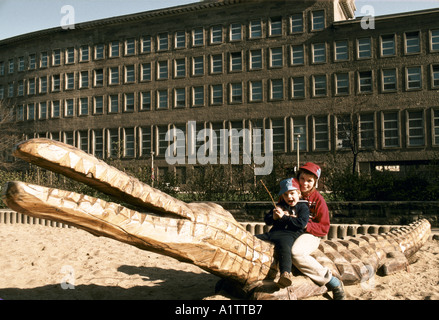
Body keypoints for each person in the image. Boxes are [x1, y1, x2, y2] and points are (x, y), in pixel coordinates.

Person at [292, 162, 346, 300]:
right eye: (302, 179)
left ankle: (333, 282)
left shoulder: (318, 200)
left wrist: (305, 225)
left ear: (315, 182)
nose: (304, 183)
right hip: (290, 232)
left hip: (310, 234)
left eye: (309, 181)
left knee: (296, 253)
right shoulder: (291, 193)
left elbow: (324, 227)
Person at [256, 178, 309, 288]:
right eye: (285, 195)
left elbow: (301, 224)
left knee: (285, 248)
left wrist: (285, 217)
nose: (289, 197)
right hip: (273, 233)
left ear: (299, 193)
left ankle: (285, 273)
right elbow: (267, 220)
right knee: (254, 238)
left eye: (292, 193)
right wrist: (274, 217)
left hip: (290, 235)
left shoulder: (303, 207)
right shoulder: (280, 205)